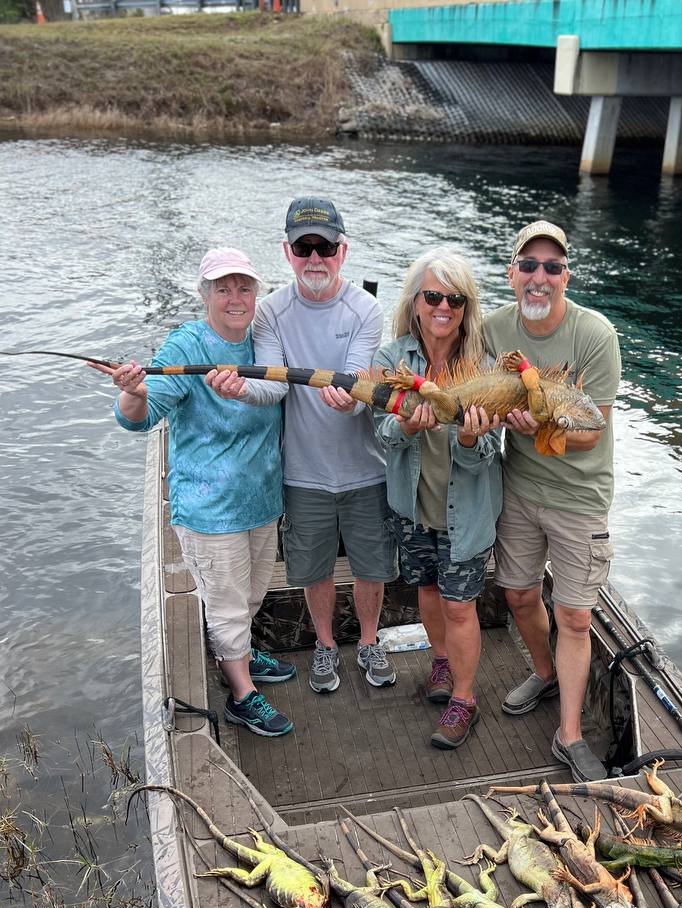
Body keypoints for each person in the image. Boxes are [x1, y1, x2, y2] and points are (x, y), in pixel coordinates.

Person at [90, 248, 294, 738]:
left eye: (244, 287)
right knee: (225, 602)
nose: (235, 298)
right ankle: (242, 693)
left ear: (256, 293)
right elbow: (139, 417)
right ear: (205, 295)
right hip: (209, 507)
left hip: (262, 498)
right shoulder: (186, 347)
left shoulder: (264, 340)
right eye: (222, 288)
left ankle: (240, 649)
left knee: (252, 591)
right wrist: (133, 391)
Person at [215, 198, 397, 696]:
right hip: (302, 474)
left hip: (366, 470)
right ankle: (323, 645)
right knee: (313, 570)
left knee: (372, 567)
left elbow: (359, 384)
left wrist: (351, 402)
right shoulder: (270, 312)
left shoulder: (367, 309)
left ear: (343, 250)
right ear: (287, 252)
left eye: (325, 247)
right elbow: (272, 385)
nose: (314, 258)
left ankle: (367, 640)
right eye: (303, 247)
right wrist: (240, 387)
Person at [483, 220, 621, 782]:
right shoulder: (494, 329)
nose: (540, 278)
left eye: (553, 267)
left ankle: (570, 733)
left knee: (575, 614)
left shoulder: (595, 335)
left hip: (578, 496)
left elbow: (590, 431)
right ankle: (544, 672)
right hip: (519, 487)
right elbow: (483, 398)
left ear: (567, 275)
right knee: (517, 595)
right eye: (529, 266)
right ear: (512, 272)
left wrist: (534, 417)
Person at [374, 249, 501, 750]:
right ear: (416, 302)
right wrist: (406, 425)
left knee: (459, 606)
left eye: (455, 298)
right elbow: (381, 433)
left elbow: (491, 450)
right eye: (433, 296)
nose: (443, 306)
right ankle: (441, 664)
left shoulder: (484, 367)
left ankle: (464, 700)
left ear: (467, 308)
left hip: (465, 513)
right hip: (413, 505)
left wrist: (469, 439)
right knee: (427, 590)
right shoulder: (392, 359)